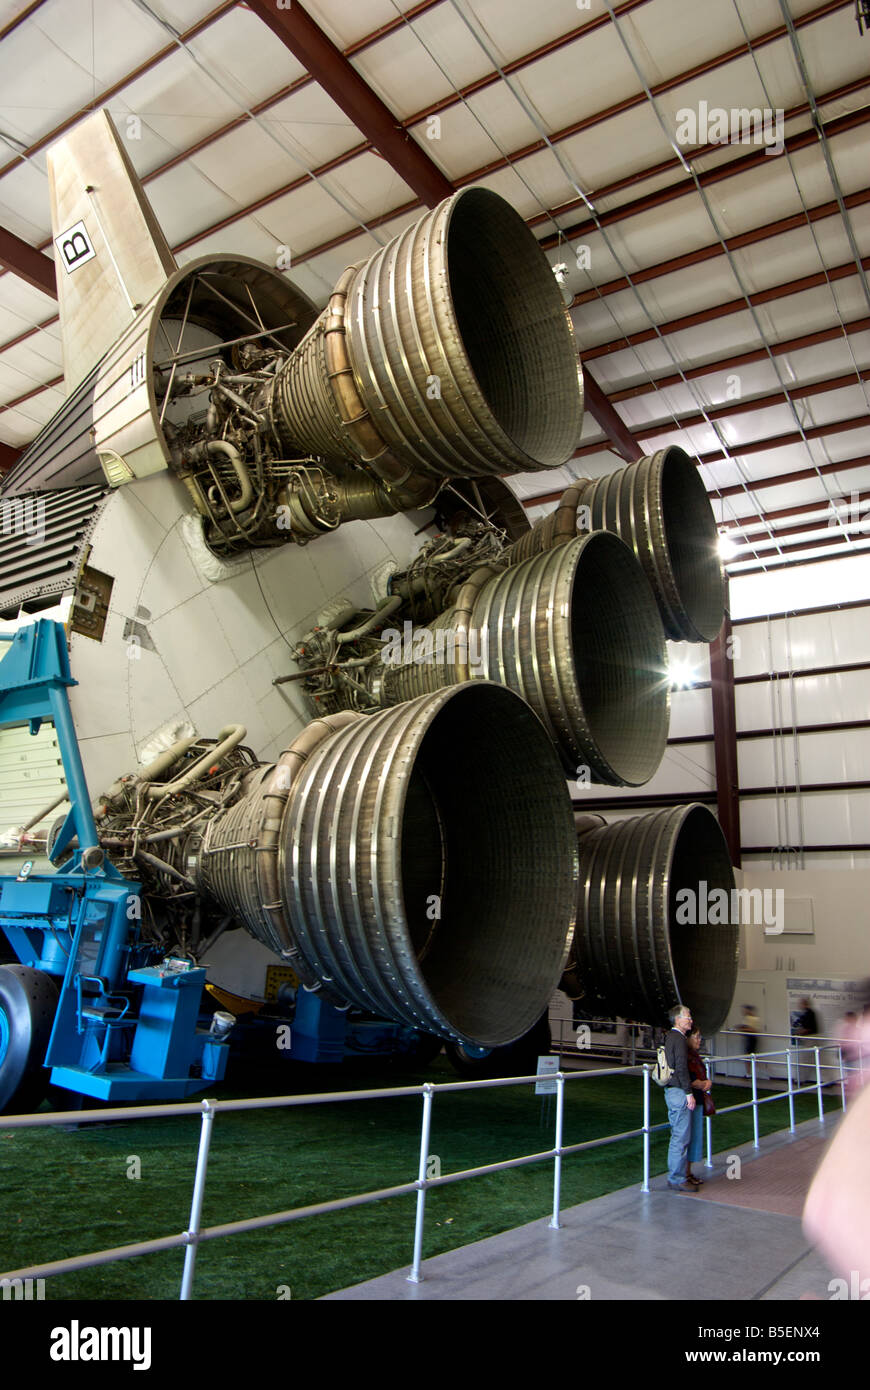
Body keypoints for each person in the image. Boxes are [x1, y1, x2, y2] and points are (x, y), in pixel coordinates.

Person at [662, 1004, 696, 1193]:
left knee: (678, 1135)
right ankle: (677, 1178)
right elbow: (681, 1068)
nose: (690, 1019)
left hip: (672, 1091)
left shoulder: (670, 1037)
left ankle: (677, 1176)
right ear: (677, 1019)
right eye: (687, 1016)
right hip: (679, 1092)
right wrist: (688, 1093)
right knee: (681, 1136)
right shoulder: (680, 1039)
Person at [686, 1028, 715, 1185]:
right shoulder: (687, 1057)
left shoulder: (694, 1056)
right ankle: (684, 1173)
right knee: (688, 1136)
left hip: (697, 1100)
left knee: (695, 1136)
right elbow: (691, 1079)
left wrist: (705, 1083)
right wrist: (704, 1083)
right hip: (691, 1100)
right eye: (696, 1037)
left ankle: (688, 1172)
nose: (699, 1040)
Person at [791, 997, 819, 1087]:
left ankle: (800, 1079)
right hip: (812, 1038)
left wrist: (798, 1033)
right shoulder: (808, 1014)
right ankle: (828, 1080)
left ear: (805, 1004)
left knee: (805, 1060)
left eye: (801, 1003)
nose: (799, 1005)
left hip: (811, 1039)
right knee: (814, 1060)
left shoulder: (809, 1014)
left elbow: (808, 1028)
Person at [739, 1003, 761, 1078]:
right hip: (749, 1038)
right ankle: (749, 1073)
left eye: (745, 1010)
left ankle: (751, 1073)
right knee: (748, 1057)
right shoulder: (747, 1018)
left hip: (751, 1038)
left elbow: (753, 1029)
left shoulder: (751, 1019)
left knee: (750, 1057)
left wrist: (742, 1029)